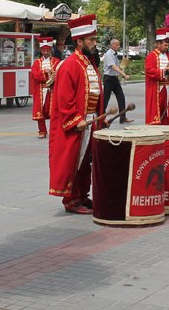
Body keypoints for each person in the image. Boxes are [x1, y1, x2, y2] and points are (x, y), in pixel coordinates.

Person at [49, 14, 105, 214]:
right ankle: (71, 200)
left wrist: (101, 118)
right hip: (77, 123)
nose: (95, 43)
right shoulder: (70, 64)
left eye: (95, 39)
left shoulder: (89, 63)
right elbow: (64, 99)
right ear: (79, 41)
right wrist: (75, 119)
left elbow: (96, 93)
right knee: (74, 161)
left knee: (85, 162)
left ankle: (82, 195)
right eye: (91, 40)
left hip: (90, 121)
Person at [31, 37, 61, 138]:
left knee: (54, 111)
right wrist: (45, 72)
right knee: (41, 112)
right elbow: (35, 75)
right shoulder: (36, 63)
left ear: (50, 50)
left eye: (47, 50)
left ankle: (54, 130)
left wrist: (52, 73)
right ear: (41, 51)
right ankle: (42, 131)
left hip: (52, 90)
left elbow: (60, 73)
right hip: (41, 90)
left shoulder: (56, 61)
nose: (46, 52)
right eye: (44, 50)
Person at [145, 28, 169, 125]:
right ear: (158, 44)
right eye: (165, 45)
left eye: (167, 45)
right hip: (157, 87)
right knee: (156, 110)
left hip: (167, 87)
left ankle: (166, 123)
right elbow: (149, 71)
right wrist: (164, 73)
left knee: (166, 109)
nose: (167, 47)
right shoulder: (151, 56)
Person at [102, 39, 133, 124]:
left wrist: (123, 64)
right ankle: (101, 117)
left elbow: (117, 67)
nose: (119, 46)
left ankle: (122, 117)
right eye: (117, 45)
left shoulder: (115, 54)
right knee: (105, 99)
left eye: (119, 45)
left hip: (114, 79)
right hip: (108, 79)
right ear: (112, 45)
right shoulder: (109, 54)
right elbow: (113, 67)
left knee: (121, 98)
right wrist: (124, 74)